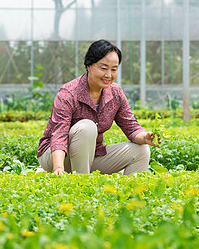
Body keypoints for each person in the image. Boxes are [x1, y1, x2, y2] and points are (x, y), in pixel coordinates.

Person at [37, 39, 160, 175]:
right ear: (89, 65)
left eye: (114, 69)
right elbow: (58, 135)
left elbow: (131, 126)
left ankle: (131, 195)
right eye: (103, 68)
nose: (109, 75)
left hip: (91, 155)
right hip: (56, 156)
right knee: (87, 127)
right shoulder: (69, 93)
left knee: (141, 151)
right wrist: (58, 168)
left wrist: (146, 137)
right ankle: (81, 186)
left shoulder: (115, 93)